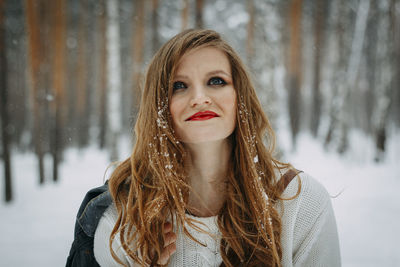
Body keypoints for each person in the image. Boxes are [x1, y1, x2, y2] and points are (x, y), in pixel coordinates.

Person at [66, 29, 341, 267]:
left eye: (216, 81)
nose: (199, 98)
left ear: (239, 97)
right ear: (159, 107)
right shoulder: (123, 215)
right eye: (179, 86)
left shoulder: (299, 202)